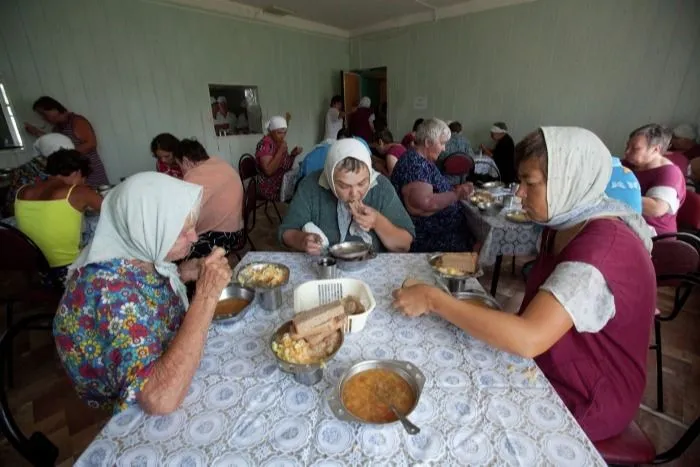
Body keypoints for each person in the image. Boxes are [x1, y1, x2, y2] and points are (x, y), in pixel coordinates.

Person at [393, 127, 656, 442]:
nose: (518, 193)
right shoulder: (560, 224)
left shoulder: (603, 252)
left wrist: (433, 299)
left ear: (567, 182)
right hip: (553, 365)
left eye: (529, 183)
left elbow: (529, 337)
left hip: (587, 397)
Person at [53, 172, 233, 414]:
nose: (194, 237)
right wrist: (206, 295)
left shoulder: (137, 253)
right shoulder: (108, 292)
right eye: (182, 231)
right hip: (140, 406)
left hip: (169, 357)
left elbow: (143, 293)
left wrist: (180, 273)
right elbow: (159, 399)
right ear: (145, 230)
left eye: (192, 227)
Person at [280, 138, 414, 254]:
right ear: (330, 178)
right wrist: (302, 240)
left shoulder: (381, 187)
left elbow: (405, 243)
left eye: (362, 183)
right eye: (344, 186)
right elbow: (286, 232)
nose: (354, 193)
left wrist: (377, 222)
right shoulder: (311, 186)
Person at [14, 149, 102, 288]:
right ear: (77, 172)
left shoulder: (23, 191)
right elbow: (111, 209)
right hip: (69, 273)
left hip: (37, 272)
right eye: (84, 178)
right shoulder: (78, 192)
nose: (83, 182)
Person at [390, 118, 476, 252]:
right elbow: (422, 204)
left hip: (439, 229)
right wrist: (456, 194)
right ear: (428, 142)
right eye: (442, 143)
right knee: (477, 239)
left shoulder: (421, 159)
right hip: (430, 236)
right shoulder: (415, 164)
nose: (444, 148)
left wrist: (452, 190)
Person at [174, 139, 244, 258]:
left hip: (220, 238)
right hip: (237, 230)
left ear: (186, 161)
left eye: (179, 166)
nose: (181, 171)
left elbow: (180, 215)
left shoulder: (196, 174)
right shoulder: (219, 163)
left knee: (174, 251)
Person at [25, 96, 109, 186]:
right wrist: (37, 133)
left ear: (54, 109)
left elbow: (91, 144)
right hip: (72, 174)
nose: (43, 118)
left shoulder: (76, 121)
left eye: (44, 114)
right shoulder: (57, 128)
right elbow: (57, 145)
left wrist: (66, 155)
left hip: (89, 170)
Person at [624, 124, 686, 234]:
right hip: (628, 221)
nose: (627, 152)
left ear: (655, 150)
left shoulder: (669, 173)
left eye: (635, 148)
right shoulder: (628, 163)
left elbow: (656, 208)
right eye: (627, 146)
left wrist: (617, 194)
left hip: (653, 234)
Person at [255, 116, 303, 201]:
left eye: (284, 133)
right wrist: (280, 151)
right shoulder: (265, 145)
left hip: (280, 182)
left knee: (301, 185)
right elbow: (268, 171)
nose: (282, 136)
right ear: (271, 131)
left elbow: (286, 166)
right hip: (268, 187)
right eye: (279, 133)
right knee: (297, 194)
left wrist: (293, 155)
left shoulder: (279, 143)